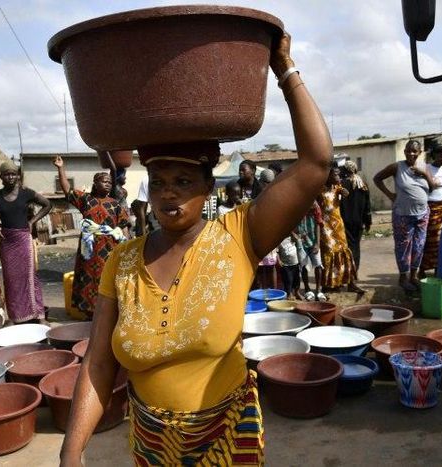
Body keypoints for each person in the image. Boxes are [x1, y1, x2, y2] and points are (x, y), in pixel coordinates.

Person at [59, 33, 333, 466]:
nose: (169, 195)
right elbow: (97, 363)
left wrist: (285, 69)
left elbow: (315, 163)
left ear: (208, 187)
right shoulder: (123, 261)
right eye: (160, 183)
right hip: (150, 442)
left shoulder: (239, 235)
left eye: (184, 183)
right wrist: (70, 453)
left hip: (226, 435)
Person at [0, 161, 51, 324]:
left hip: (23, 239)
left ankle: (38, 315)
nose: (10, 177)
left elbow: (47, 204)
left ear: (18, 175)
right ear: (1, 177)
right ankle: (15, 316)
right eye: (7, 174)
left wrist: (32, 221)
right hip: (7, 241)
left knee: (29, 277)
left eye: (13, 173)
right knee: (11, 279)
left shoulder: (26, 193)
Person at [54, 156, 130, 320]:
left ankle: (108, 316)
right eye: (104, 181)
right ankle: (90, 316)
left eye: (110, 182)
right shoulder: (86, 200)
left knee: (108, 280)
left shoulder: (115, 204)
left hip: (109, 250)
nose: (108, 184)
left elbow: (123, 227)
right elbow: (67, 190)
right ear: (95, 183)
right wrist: (61, 168)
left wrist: (128, 249)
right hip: (88, 250)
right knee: (88, 279)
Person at [374, 140, 434, 292]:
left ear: (420, 152)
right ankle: (403, 278)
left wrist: (425, 174)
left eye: (415, 151)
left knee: (419, 245)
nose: (411, 154)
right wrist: (390, 195)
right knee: (403, 247)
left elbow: (432, 188)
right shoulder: (397, 167)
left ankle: (413, 276)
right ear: (405, 151)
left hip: (422, 213)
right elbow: (377, 178)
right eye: (408, 150)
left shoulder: (424, 167)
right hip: (403, 214)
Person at [318, 167, 364, 294]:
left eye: (339, 175)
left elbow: (346, 193)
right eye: (336, 175)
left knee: (344, 252)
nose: (339, 177)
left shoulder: (337, 187)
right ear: (327, 175)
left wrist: (344, 192)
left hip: (338, 226)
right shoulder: (319, 190)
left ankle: (350, 283)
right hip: (325, 227)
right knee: (329, 253)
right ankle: (329, 285)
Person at [420, 145, 442, 276]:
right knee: (431, 239)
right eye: (441, 156)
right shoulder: (426, 168)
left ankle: (439, 268)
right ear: (434, 155)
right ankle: (422, 269)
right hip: (432, 206)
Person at [339, 160, 372, 269]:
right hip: (359, 221)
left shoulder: (341, 185)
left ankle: (349, 272)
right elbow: (368, 205)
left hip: (345, 221)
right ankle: (355, 270)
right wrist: (368, 222)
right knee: (356, 246)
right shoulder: (363, 184)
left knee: (348, 246)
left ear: (345, 170)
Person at [295, 201, 324, 301]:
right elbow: (291, 222)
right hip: (301, 241)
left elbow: (318, 224)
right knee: (303, 266)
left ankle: (319, 290)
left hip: (313, 240)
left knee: (318, 264)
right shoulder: (296, 205)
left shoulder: (315, 205)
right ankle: (307, 289)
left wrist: (317, 243)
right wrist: (295, 236)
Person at [278, 233, 300, 299]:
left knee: (297, 280)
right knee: (288, 280)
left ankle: (297, 292)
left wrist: (293, 233)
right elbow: (277, 252)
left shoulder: (291, 237)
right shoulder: (278, 240)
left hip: (295, 263)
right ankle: (289, 294)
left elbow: (298, 240)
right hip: (286, 264)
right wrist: (279, 260)